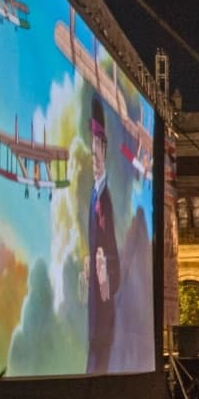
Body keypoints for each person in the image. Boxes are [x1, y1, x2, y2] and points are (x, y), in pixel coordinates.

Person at [83, 95, 120, 374]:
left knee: (99, 351)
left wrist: (104, 263)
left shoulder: (104, 197)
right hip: (96, 292)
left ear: (104, 151)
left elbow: (110, 244)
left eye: (97, 154)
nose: (94, 160)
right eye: (91, 154)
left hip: (104, 291)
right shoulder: (95, 193)